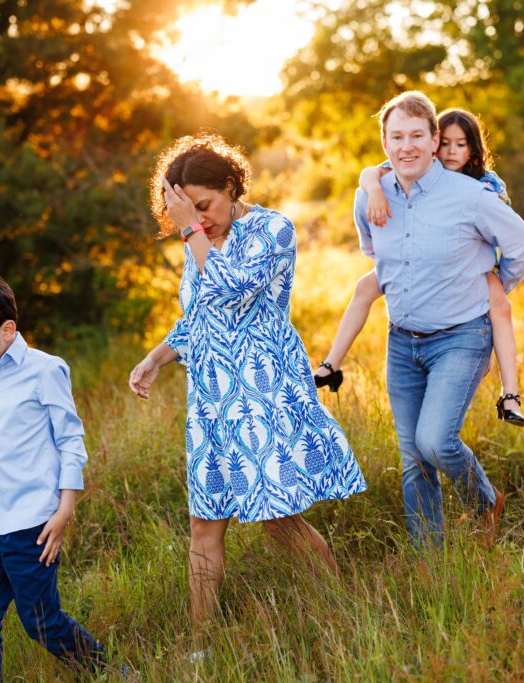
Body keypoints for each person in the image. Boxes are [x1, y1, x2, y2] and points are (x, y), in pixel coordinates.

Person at [128, 133, 366, 647]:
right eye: (186, 211)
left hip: (263, 394)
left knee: (278, 520)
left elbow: (231, 289)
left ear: (232, 186)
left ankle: (346, 612)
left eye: (206, 205)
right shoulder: (198, 240)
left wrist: (191, 231)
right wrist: (156, 357)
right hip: (211, 401)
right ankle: (200, 646)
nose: (199, 218)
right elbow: (198, 316)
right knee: (204, 524)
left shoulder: (271, 230)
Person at [353, 91, 524, 545]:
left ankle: (485, 501)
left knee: (435, 441)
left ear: (435, 140)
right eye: (396, 137)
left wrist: (491, 282)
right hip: (402, 340)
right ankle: (429, 558)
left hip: (462, 335)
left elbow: (523, 244)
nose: (407, 146)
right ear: (385, 141)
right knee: (412, 455)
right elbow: (375, 255)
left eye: (417, 135)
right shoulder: (370, 197)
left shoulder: (471, 195)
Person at [0, 275, 110, 682]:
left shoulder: (45, 371)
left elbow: (70, 439)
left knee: (41, 622)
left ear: (7, 330)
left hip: (33, 526)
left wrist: (65, 507)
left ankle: (111, 673)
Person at [315, 108, 524, 427]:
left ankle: (510, 392)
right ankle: (331, 363)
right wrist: (373, 190)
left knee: (499, 306)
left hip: (472, 266)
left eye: (462, 145)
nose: (452, 152)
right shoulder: (413, 170)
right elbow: (371, 172)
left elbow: (511, 232)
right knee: (363, 288)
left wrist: (495, 279)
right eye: (447, 144)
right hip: (417, 264)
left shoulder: (483, 183)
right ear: (435, 143)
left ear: (473, 149)